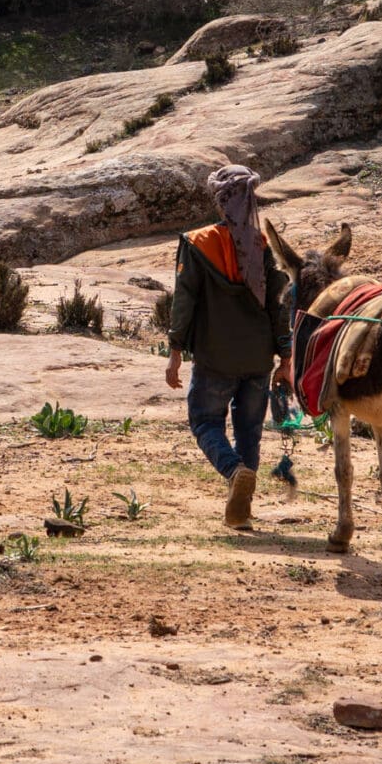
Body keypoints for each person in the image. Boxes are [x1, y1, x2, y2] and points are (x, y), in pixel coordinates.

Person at [164, 164, 293, 530]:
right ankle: (240, 512)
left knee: (205, 421)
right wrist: (286, 356)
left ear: (221, 201)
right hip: (258, 357)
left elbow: (183, 301)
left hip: (215, 356)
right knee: (249, 429)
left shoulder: (198, 243)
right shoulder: (263, 246)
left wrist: (175, 351)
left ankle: (235, 471)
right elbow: (278, 305)